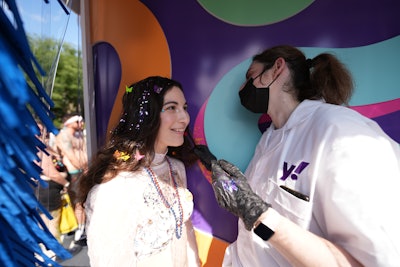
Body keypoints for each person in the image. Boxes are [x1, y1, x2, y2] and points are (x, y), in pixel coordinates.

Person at [200, 45, 400, 266]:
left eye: (250, 76)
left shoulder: (339, 131)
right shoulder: (268, 140)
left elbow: (377, 261)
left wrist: (258, 216)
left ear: (277, 68)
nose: (241, 87)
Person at [78, 76, 201, 267]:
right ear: (145, 115)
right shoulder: (116, 187)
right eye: (171, 107)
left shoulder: (176, 168)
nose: (184, 118)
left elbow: (185, 231)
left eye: (184, 108)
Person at [34, 123, 73, 259]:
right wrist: (66, 182)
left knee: (46, 222)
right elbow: (50, 172)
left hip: (46, 190)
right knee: (50, 222)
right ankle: (51, 252)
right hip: (47, 190)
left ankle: (48, 250)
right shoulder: (39, 149)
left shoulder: (43, 147)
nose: (43, 134)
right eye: (39, 131)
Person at [54, 114, 88, 243]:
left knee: (83, 201)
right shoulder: (64, 136)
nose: (81, 123)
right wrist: (84, 168)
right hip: (74, 172)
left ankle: (83, 227)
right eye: (78, 121)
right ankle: (80, 230)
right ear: (69, 123)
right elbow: (70, 155)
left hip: (82, 170)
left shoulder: (78, 135)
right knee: (78, 202)